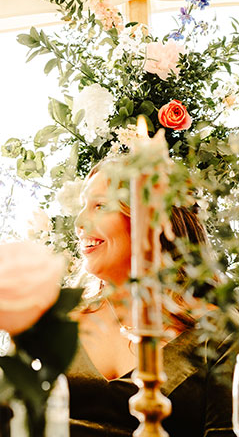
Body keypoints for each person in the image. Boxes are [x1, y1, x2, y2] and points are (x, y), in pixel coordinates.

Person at [69, 161, 234, 436]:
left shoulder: (218, 335)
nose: (79, 223)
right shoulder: (58, 322)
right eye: (83, 206)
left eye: (100, 206)